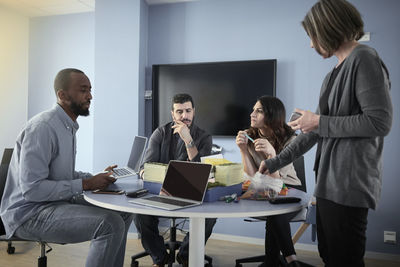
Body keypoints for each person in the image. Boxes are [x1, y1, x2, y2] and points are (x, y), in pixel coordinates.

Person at [259, 1, 393, 266]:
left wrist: (319, 121)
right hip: (329, 185)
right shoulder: (333, 73)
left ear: (328, 28)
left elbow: (379, 122)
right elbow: (314, 132)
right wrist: (274, 162)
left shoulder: (364, 58)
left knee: (344, 260)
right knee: (330, 256)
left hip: (349, 184)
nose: (310, 44)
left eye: (312, 36)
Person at [0, 68, 133, 267]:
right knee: (109, 223)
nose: (90, 96)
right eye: (83, 90)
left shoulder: (67, 126)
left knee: (124, 211)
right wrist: (86, 184)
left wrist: (96, 178)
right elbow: (33, 190)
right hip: (28, 214)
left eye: (90, 89)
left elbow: (62, 175)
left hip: (52, 203)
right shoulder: (43, 128)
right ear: (62, 95)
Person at [133, 93, 216, 267]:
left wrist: (188, 141)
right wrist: (144, 174)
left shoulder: (204, 137)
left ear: (194, 111)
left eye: (187, 111)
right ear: (172, 114)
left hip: (193, 192)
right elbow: (146, 166)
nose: (184, 116)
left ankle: (186, 256)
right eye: (179, 112)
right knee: (140, 214)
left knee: (211, 216)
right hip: (161, 190)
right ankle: (159, 257)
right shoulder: (160, 133)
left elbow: (203, 170)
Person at [236, 96, 311, 267]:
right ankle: (290, 261)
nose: (252, 114)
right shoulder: (249, 136)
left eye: (259, 111)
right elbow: (253, 178)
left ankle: (277, 261)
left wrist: (272, 156)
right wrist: (243, 151)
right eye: (253, 109)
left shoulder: (291, 140)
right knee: (273, 208)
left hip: (288, 188)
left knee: (275, 210)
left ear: (272, 115)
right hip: (263, 187)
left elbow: (277, 184)